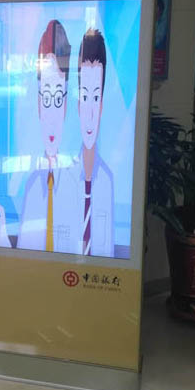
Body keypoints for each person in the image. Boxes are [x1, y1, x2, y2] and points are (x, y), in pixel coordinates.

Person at [0, 20, 82, 253]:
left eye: (58, 99)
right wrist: (2, 232)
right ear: (37, 103)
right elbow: (24, 249)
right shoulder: (32, 184)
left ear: (67, 104)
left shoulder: (76, 181)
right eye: (45, 99)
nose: (51, 116)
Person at [75, 29, 115, 257]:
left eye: (96, 97)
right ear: (77, 103)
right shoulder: (62, 178)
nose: (90, 112)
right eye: (84, 97)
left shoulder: (107, 181)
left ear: (102, 106)